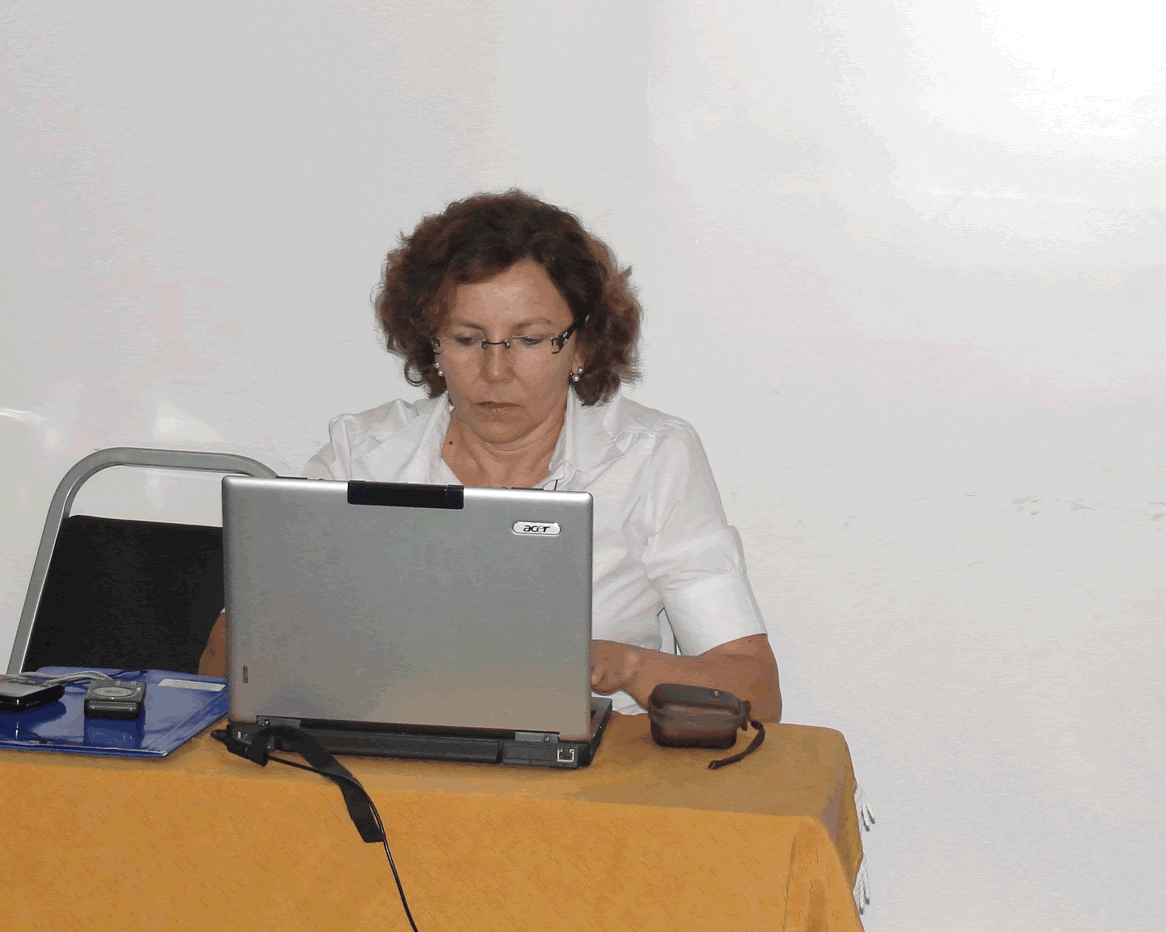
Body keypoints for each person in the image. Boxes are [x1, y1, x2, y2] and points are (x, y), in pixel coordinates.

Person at [199, 189, 780, 720]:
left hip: (590, 777)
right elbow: (226, 663)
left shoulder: (651, 458)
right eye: (467, 339)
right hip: (385, 766)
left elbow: (755, 691)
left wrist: (623, 666)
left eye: (529, 340)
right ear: (431, 343)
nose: (495, 371)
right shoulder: (363, 454)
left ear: (581, 344)